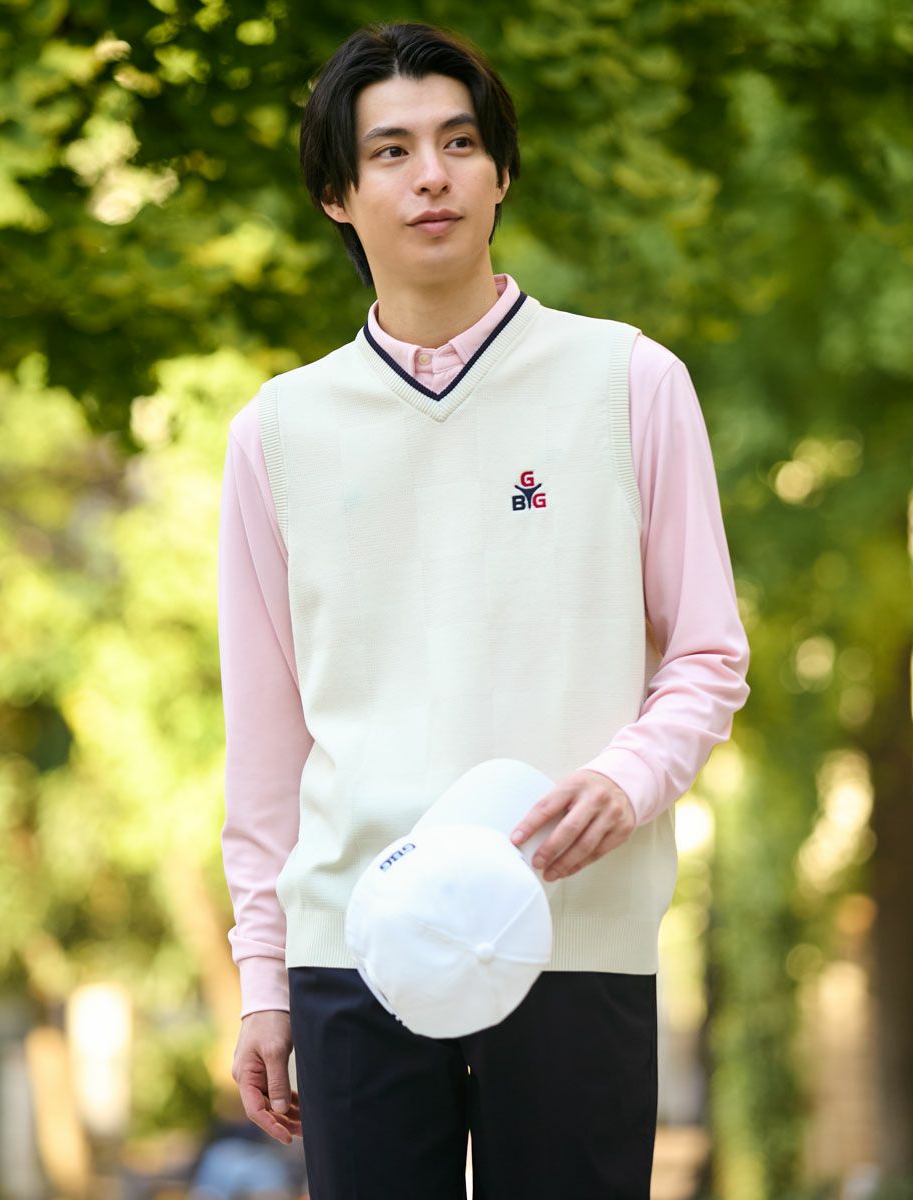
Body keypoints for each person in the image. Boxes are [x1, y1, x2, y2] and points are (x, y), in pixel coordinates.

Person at [216, 20, 751, 1200]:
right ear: (337, 195)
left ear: (501, 172)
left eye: (460, 143)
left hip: (573, 934)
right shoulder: (276, 434)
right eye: (392, 151)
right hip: (354, 947)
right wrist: (263, 977)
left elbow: (708, 654)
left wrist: (627, 779)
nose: (433, 176)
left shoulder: (630, 383)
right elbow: (264, 743)